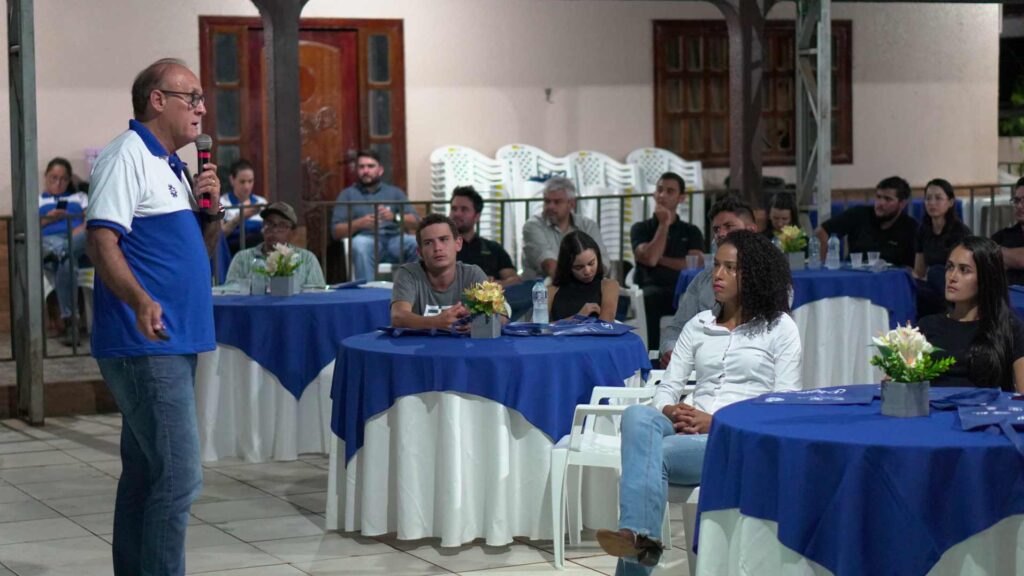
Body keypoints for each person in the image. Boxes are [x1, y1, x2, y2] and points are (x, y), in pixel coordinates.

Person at [85, 57, 222, 576]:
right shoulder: (127, 155)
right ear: (157, 100)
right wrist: (141, 300)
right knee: (181, 476)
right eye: (193, 98)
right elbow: (101, 241)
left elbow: (198, 255)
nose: (202, 109)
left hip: (174, 339)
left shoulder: (172, 166)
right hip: (146, 343)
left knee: (145, 474)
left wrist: (209, 213)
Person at [596, 230, 802, 574]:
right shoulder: (699, 324)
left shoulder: (780, 328)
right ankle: (638, 538)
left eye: (730, 268)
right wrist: (670, 408)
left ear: (754, 274)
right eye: (716, 265)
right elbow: (666, 388)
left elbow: (784, 406)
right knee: (637, 416)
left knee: (655, 454)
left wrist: (716, 422)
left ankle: (637, 539)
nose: (717, 275)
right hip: (686, 428)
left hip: (735, 441)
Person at [658, 195, 759, 367]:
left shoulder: (770, 279)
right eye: (717, 229)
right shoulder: (702, 280)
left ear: (751, 229)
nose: (721, 234)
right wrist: (670, 350)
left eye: (729, 226)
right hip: (699, 369)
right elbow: (676, 328)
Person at [918, 236, 1024, 392]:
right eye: (950, 267)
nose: (952, 277)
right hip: (933, 406)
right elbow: (895, 385)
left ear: (986, 278)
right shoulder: (927, 326)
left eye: (964, 270)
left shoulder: (1008, 327)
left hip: (987, 407)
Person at [630, 172, 704, 346]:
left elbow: (693, 264)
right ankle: (653, 354)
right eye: (659, 190)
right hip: (652, 290)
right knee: (650, 298)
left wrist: (659, 259)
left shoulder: (691, 231)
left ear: (681, 198)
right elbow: (650, 259)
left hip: (683, 291)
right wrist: (664, 224)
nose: (662, 195)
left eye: (670, 191)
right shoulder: (640, 228)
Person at [331, 150, 419, 283]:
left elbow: (416, 222)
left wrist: (394, 217)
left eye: (370, 166)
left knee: (417, 243)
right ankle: (369, 292)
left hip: (394, 240)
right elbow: (336, 232)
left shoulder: (395, 193)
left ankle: (412, 289)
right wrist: (359, 223)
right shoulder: (347, 195)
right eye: (361, 167)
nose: (366, 171)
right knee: (360, 245)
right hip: (366, 240)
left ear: (380, 170)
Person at [390, 213, 488, 331]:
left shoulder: (473, 274)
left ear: (458, 243)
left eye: (443, 239)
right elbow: (398, 317)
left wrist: (479, 323)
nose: (437, 248)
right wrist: (436, 322)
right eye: (428, 243)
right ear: (420, 252)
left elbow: (501, 315)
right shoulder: (408, 274)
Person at [814, 175, 917, 268]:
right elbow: (822, 232)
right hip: (853, 276)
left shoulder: (911, 228)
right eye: (878, 197)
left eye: (887, 199)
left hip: (889, 279)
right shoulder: (859, 214)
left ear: (902, 204)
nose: (880, 203)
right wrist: (823, 268)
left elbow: (913, 269)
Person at [38, 157, 89, 345]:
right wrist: (48, 219)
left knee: (72, 250)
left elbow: (90, 221)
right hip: (49, 241)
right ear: (46, 177)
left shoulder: (80, 197)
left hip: (76, 239)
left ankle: (62, 251)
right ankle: (71, 323)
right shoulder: (37, 200)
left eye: (63, 179)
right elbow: (30, 229)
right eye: (54, 178)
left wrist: (77, 228)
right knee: (67, 261)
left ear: (69, 180)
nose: (58, 183)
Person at [521, 176, 607, 280]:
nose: (550, 206)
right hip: (541, 287)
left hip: (584, 284)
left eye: (557, 202)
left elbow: (603, 262)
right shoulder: (533, 226)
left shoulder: (587, 225)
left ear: (572, 204)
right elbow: (549, 266)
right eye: (547, 201)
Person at [225, 201, 325, 287]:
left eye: (282, 225)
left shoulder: (307, 260)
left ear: (293, 233)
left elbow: (317, 296)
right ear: (263, 227)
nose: (274, 230)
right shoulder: (242, 259)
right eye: (269, 223)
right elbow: (230, 294)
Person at [913, 178, 971, 317]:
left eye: (938, 198)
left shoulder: (960, 232)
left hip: (956, 285)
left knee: (936, 271)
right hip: (934, 287)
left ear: (950, 202)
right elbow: (919, 271)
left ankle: (952, 314)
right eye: (928, 198)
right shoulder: (923, 230)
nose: (932, 203)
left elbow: (964, 270)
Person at [549, 231, 620, 322]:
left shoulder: (608, 286)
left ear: (598, 258)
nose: (587, 271)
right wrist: (577, 318)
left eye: (591, 263)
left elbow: (606, 325)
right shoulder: (552, 291)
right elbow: (537, 327)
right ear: (567, 267)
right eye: (579, 267)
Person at [220, 159, 267, 253]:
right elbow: (220, 236)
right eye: (242, 182)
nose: (247, 186)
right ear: (232, 180)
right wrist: (242, 216)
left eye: (250, 181)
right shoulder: (222, 202)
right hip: (231, 255)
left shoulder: (261, 202)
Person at [992, 177, 1024, 286]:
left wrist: (1000, 254)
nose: (1019, 206)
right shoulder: (1001, 236)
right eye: (1016, 200)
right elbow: (984, 256)